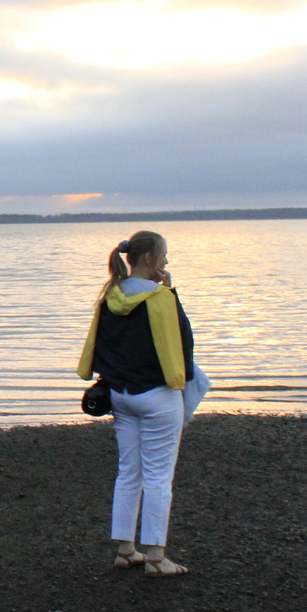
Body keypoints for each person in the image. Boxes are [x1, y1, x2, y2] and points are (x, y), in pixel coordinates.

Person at [76, 230, 211, 577]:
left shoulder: (110, 296)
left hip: (121, 395)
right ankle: (156, 556)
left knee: (129, 472)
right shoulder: (160, 298)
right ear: (150, 259)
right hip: (157, 396)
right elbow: (183, 347)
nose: (166, 263)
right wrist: (170, 292)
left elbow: (103, 347)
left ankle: (125, 550)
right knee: (158, 476)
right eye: (163, 257)